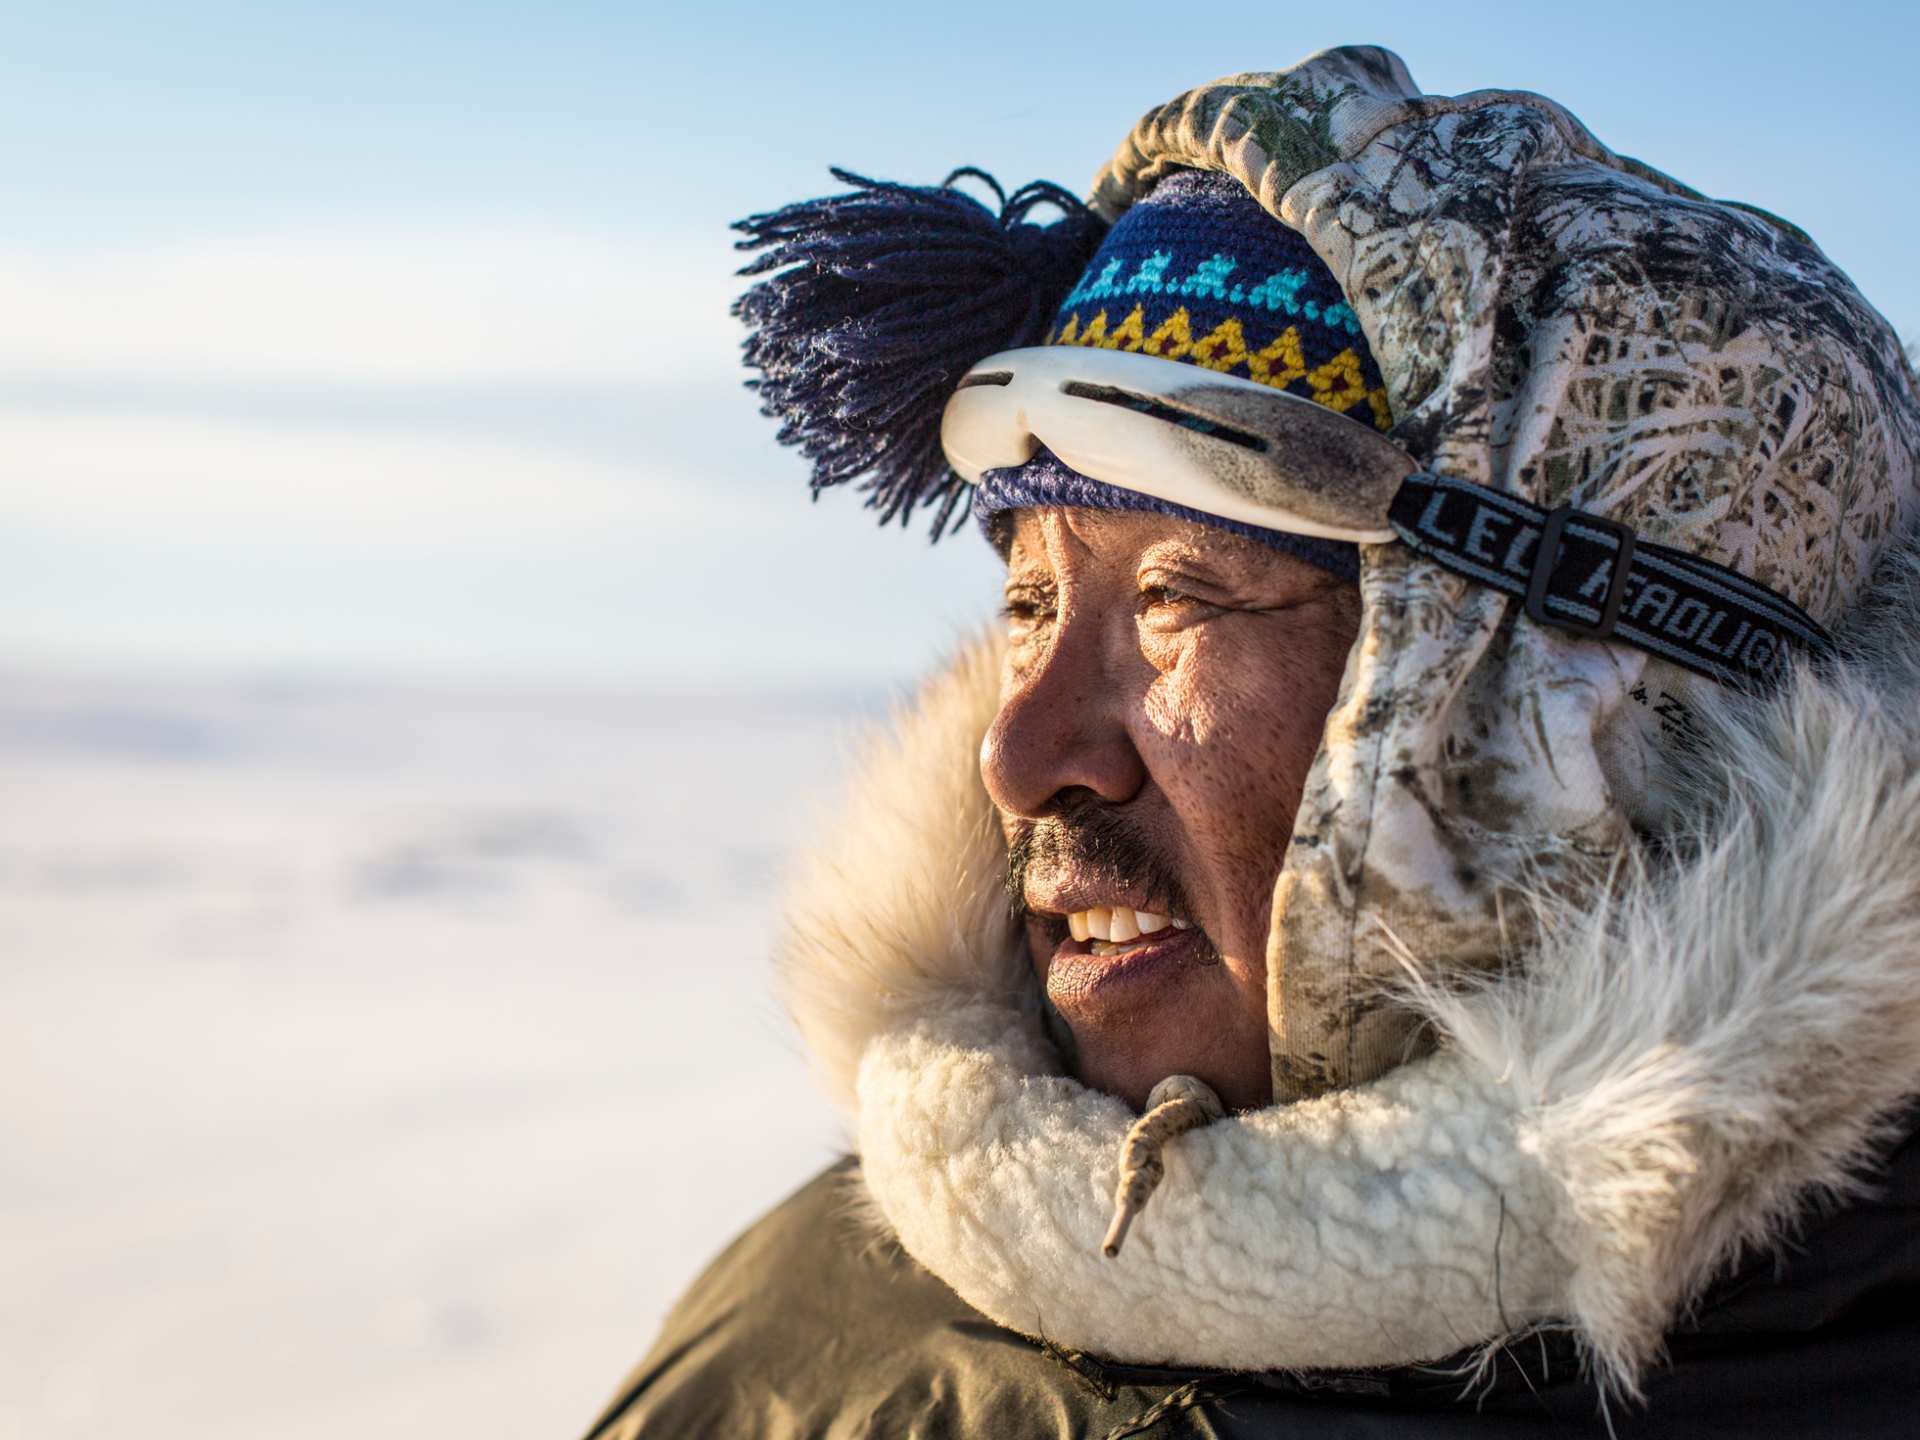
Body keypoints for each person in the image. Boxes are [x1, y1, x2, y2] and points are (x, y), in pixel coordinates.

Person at [583, 45, 1920, 1438]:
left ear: (1600, 716)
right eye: (1030, 601)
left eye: (1175, 599)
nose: (1023, 755)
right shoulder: (809, 1339)